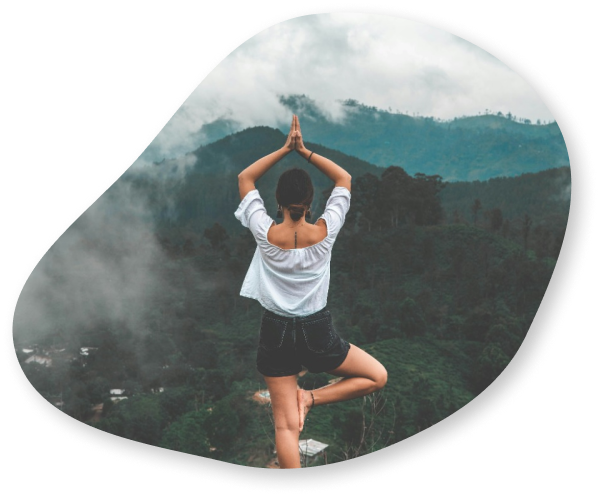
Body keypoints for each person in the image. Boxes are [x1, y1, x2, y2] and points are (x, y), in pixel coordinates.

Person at [235, 115, 387, 469]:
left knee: (285, 428)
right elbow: (344, 179)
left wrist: (283, 148)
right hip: (317, 331)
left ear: (277, 199)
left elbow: (245, 178)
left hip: (274, 331)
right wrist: (303, 151)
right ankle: (311, 399)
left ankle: (303, 405)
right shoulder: (325, 231)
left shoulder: (264, 232)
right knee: (376, 376)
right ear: (310, 199)